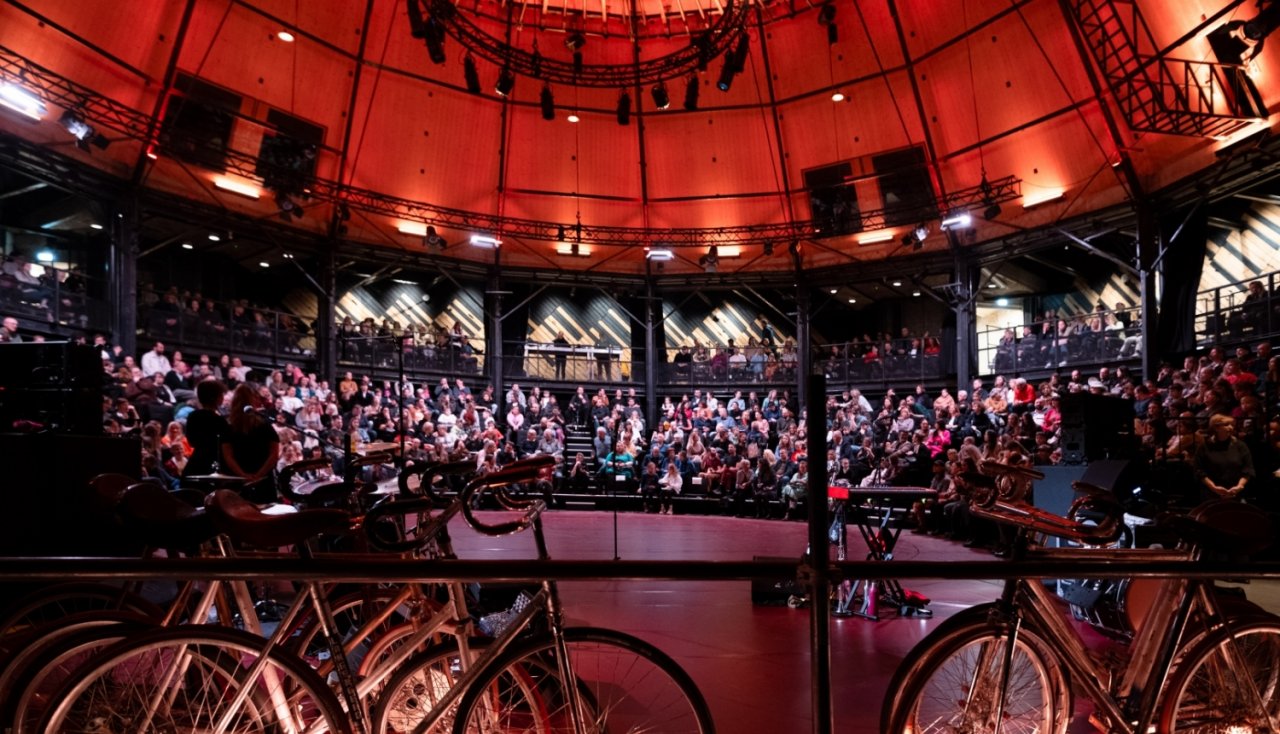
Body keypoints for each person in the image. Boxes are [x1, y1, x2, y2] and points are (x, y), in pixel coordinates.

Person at [221, 383, 281, 504]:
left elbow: (228, 455)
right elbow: (274, 453)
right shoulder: (264, 424)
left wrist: (243, 475)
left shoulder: (228, 425)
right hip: (263, 479)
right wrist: (259, 475)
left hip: (238, 480)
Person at [1194, 413, 1255, 501]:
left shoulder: (1240, 445)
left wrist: (1239, 486)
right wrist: (1213, 487)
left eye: (1232, 425)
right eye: (1226, 425)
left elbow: (1248, 469)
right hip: (1211, 493)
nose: (1231, 428)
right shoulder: (1204, 447)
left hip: (1236, 491)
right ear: (1216, 428)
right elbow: (1199, 471)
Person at [183, 380, 228, 480]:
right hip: (213, 466)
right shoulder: (219, 420)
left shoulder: (192, 416)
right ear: (216, 397)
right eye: (221, 394)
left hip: (195, 464)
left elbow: (191, 442)